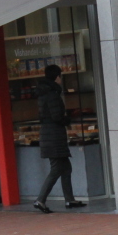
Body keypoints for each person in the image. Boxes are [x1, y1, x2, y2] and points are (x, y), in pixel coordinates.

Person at [33, 64, 85, 213]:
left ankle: (70, 200)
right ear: (57, 77)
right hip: (54, 136)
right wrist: (67, 119)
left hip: (50, 135)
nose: (61, 79)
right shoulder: (52, 94)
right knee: (56, 169)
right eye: (60, 76)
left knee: (66, 167)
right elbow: (56, 116)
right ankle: (40, 200)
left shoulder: (45, 93)